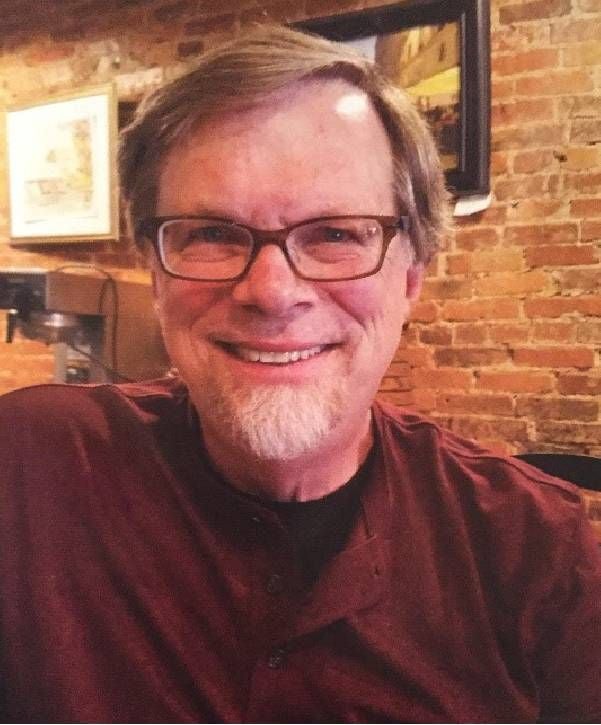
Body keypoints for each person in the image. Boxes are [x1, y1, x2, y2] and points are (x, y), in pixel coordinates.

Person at [0, 26, 599, 723]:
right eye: (212, 233)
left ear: (411, 276)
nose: (273, 291)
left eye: (337, 234)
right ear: (155, 271)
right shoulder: (31, 470)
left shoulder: (536, 551)